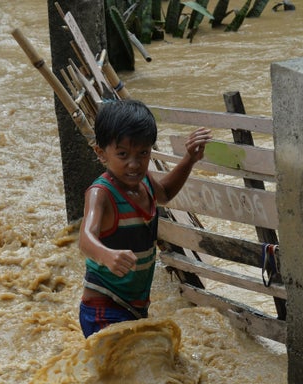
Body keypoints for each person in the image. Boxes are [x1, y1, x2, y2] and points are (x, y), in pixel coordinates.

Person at [78, 99, 211, 338]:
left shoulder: (145, 182)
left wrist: (190, 159)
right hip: (103, 307)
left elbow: (167, 194)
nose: (134, 163)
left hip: (135, 306)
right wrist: (107, 255)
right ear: (101, 153)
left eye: (143, 153)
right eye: (123, 154)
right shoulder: (101, 193)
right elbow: (85, 238)